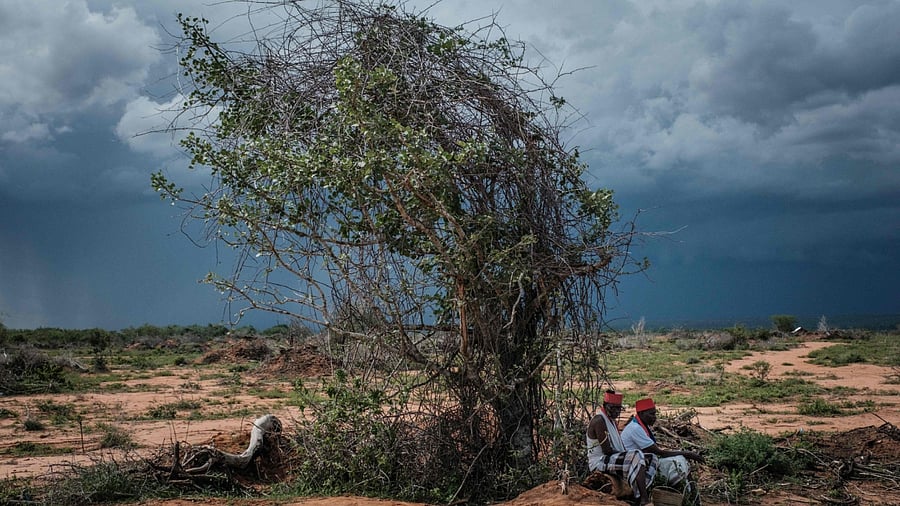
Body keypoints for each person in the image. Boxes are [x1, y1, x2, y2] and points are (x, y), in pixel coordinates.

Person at [587, 390, 658, 505]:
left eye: (618, 408)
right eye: (613, 408)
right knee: (636, 455)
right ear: (605, 406)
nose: (616, 411)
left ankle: (637, 492)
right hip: (599, 461)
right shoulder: (599, 420)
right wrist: (628, 455)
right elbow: (607, 451)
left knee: (652, 458)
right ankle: (644, 499)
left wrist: (627, 455)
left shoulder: (611, 421)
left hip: (610, 459)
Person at [621, 398, 704, 487]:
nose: (655, 417)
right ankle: (681, 489)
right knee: (678, 462)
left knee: (679, 460)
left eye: (655, 414)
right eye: (652, 414)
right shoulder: (635, 428)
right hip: (637, 466)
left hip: (643, 461)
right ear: (641, 414)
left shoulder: (640, 426)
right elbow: (659, 452)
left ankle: (689, 491)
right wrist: (687, 454)